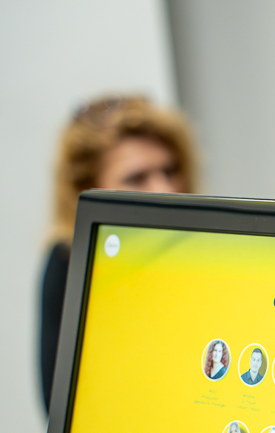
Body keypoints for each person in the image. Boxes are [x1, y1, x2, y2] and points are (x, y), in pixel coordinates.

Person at [40, 95, 198, 411]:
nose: (165, 190)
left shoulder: (206, 255)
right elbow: (59, 409)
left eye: (170, 170)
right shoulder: (68, 265)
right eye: (137, 178)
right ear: (86, 189)